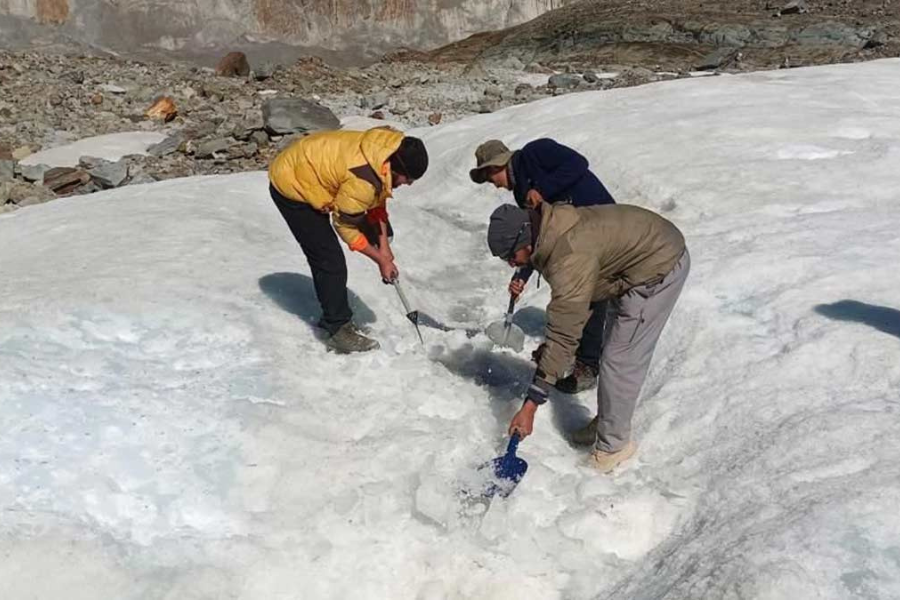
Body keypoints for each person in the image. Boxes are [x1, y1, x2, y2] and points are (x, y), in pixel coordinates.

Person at [486, 202, 689, 472]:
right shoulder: (549, 230)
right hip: (631, 264)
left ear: (525, 238)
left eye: (510, 255)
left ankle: (614, 447)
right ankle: (609, 420)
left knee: (621, 359)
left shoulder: (568, 255)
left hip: (657, 265)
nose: (511, 263)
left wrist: (531, 405)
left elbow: (563, 332)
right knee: (614, 351)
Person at [470, 138, 615, 393]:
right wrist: (522, 275)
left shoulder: (536, 152)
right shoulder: (520, 191)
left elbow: (578, 164)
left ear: (496, 167)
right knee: (569, 292)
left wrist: (543, 189)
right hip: (570, 238)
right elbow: (533, 235)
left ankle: (587, 365)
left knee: (592, 293)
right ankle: (565, 352)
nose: (496, 187)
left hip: (601, 222)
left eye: (492, 180)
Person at [268, 127, 428, 353]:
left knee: (381, 231)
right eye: (408, 178)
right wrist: (380, 260)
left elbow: (377, 198)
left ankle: (336, 318)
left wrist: (384, 247)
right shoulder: (363, 180)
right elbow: (344, 226)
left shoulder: (385, 151)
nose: (409, 184)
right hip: (293, 185)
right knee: (329, 260)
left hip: (319, 168)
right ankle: (336, 329)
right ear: (396, 167)